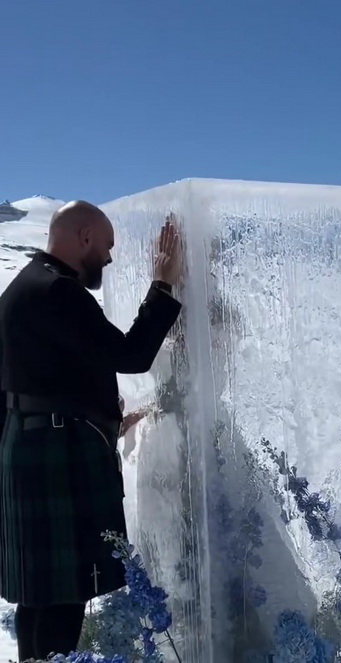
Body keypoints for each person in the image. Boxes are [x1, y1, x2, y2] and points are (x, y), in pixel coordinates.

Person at [0, 201, 183, 662]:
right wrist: (162, 283)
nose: (109, 256)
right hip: (56, 455)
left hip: (36, 447)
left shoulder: (23, 288)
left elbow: (45, 378)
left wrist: (102, 418)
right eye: (107, 245)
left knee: (40, 598)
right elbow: (131, 355)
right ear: (83, 237)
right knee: (63, 600)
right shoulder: (58, 291)